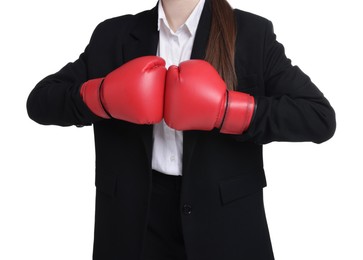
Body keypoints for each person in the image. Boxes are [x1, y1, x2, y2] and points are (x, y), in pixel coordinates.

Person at [26, 0, 336, 259]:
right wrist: (102, 97)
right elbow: (39, 102)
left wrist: (228, 111)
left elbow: (319, 117)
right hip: (133, 222)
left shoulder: (251, 33)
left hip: (226, 224)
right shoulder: (113, 34)